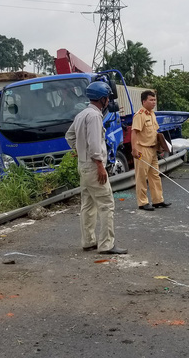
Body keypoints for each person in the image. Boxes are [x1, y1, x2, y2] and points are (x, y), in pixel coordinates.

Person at [65, 81, 127, 255]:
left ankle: (88, 241)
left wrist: (78, 150)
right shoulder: (95, 116)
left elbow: (69, 136)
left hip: (83, 166)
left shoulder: (81, 114)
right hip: (93, 167)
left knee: (88, 204)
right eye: (107, 98)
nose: (108, 101)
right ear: (102, 99)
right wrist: (100, 165)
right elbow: (94, 144)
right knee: (107, 204)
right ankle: (107, 244)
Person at [132, 90, 171, 211]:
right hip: (142, 149)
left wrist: (160, 147)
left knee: (155, 176)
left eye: (154, 100)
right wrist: (134, 149)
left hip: (153, 149)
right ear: (144, 101)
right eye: (151, 100)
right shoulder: (140, 115)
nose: (154, 102)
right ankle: (142, 202)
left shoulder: (152, 114)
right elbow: (134, 132)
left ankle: (158, 200)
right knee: (142, 177)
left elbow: (155, 133)